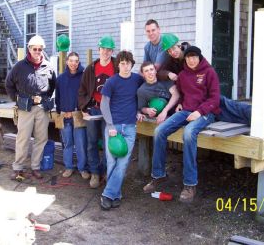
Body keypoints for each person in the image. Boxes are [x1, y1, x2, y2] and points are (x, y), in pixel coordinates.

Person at [143, 45, 220, 203]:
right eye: (189, 57)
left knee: (189, 133)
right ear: (185, 58)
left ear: (199, 58)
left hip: (205, 113)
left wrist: (200, 112)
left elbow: (215, 98)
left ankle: (190, 184)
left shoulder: (209, 72)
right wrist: (179, 104)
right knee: (159, 131)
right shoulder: (183, 75)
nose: (191, 60)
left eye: (194, 57)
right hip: (186, 110)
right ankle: (159, 175)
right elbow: (181, 93)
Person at [158, 33, 251, 125]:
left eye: (174, 48)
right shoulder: (171, 60)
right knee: (224, 114)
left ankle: (254, 115)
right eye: (169, 51)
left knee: (228, 105)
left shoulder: (193, 53)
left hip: (205, 93)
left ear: (179, 45)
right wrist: (168, 74)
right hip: (193, 99)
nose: (172, 52)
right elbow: (159, 73)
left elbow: (207, 70)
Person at [5, 35, 56, 180]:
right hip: (25, 107)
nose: (38, 51)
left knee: (41, 138)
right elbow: (9, 85)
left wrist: (45, 99)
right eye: (35, 49)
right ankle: (18, 168)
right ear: (29, 49)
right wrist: (17, 100)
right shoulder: (19, 67)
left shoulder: (48, 66)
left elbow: (52, 85)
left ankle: (35, 167)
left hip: (42, 108)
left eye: (40, 49)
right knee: (23, 138)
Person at [100, 50, 144, 210]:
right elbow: (104, 104)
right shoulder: (112, 82)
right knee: (112, 162)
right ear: (118, 65)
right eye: (123, 63)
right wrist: (110, 126)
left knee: (123, 163)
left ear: (132, 64)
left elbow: (144, 94)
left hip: (130, 127)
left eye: (128, 63)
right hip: (114, 127)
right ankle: (115, 194)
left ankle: (107, 194)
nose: (126, 67)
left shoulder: (137, 80)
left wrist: (141, 110)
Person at [78, 35, 118, 188]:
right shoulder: (91, 68)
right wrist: (84, 109)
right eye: (103, 49)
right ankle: (95, 172)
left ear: (112, 51)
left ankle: (107, 172)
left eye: (109, 50)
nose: (106, 52)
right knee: (92, 142)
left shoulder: (116, 66)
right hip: (94, 110)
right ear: (99, 49)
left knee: (109, 143)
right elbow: (82, 90)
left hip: (111, 111)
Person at [55, 51, 89, 179]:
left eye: (76, 61)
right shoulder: (60, 79)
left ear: (78, 62)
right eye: (71, 60)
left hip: (78, 115)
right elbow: (58, 97)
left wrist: (80, 110)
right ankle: (68, 167)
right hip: (65, 115)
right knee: (67, 143)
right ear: (67, 62)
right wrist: (60, 112)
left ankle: (82, 168)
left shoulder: (83, 77)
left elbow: (85, 96)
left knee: (80, 144)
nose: (73, 63)